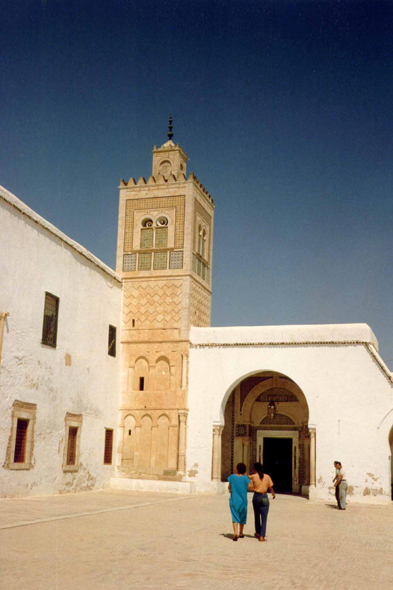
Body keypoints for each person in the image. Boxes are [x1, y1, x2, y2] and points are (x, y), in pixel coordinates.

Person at [249, 462, 275, 542]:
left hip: (256, 497)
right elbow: (270, 487)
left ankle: (257, 532)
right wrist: (273, 494)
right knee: (264, 517)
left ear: (254, 469)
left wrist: (255, 488)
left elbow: (250, 487)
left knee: (257, 515)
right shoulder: (267, 476)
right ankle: (262, 536)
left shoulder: (252, 477)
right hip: (264, 497)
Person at [228, 462, 250, 541]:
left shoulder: (232, 477)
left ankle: (235, 533)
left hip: (234, 500)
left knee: (235, 516)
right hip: (243, 501)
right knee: (242, 516)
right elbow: (250, 487)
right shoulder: (246, 478)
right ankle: (241, 532)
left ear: (236, 469)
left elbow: (229, 488)